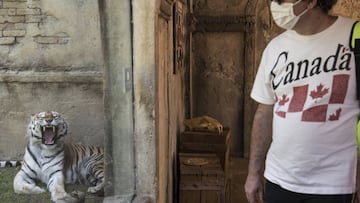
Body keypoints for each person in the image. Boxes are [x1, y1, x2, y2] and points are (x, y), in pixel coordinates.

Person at [244, 0, 360, 202]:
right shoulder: (275, 49)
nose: (275, 5)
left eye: (281, 0)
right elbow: (264, 113)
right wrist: (253, 173)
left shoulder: (354, 36)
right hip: (279, 179)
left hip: (334, 184)